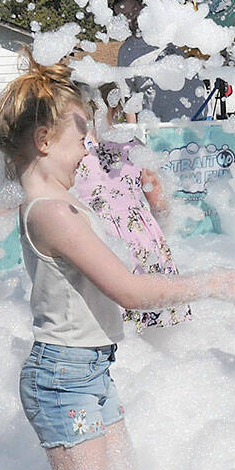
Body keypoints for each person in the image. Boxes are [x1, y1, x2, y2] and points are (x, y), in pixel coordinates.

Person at [0, 58, 235, 470]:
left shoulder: (61, 205)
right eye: (79, 136)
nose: (87, 146)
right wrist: (213, 284)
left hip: (87, 372)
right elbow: (128, 292)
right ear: (44, 140)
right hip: (62, 378)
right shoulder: (51, 213)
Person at [73, 88, 192, 334]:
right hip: (141, 238)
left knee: (106, 324)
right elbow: (157, 199)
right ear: (116, 108)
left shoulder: (75, 152)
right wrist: (164, 226)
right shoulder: (132, 147)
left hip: (98, 240)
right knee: (154, 323)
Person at [113, 0, 208, 123]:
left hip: (198, 119)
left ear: (143, 6)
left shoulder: (172, 30)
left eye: (134, 9)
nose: (132, 16)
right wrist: (135, 137)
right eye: (125, 15)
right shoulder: (126, 53)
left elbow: (205, 54)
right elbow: (129, 99)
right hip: (159, 129)